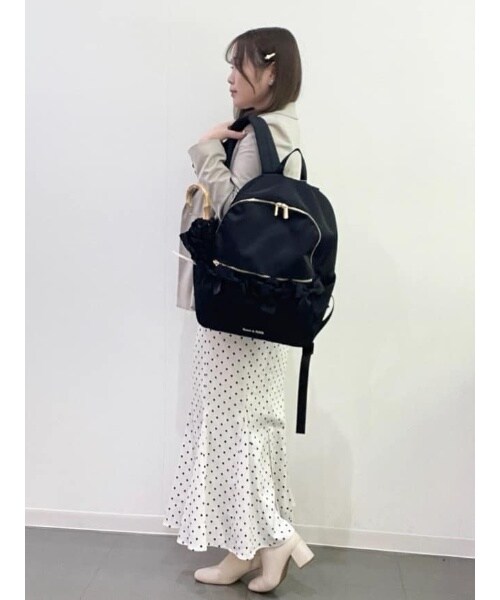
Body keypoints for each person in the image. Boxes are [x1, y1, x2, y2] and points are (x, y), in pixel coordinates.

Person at [163, 27, 315, 593]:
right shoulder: (281, 132)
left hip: (237, 313)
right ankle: (244, 548)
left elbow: (235, 217)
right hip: (261, 312)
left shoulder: (259, 138)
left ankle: (276, 540)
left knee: (235, 431)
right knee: (247, 428)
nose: (229, 78)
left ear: (271, 72)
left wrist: (206, 148)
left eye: (239, 66)